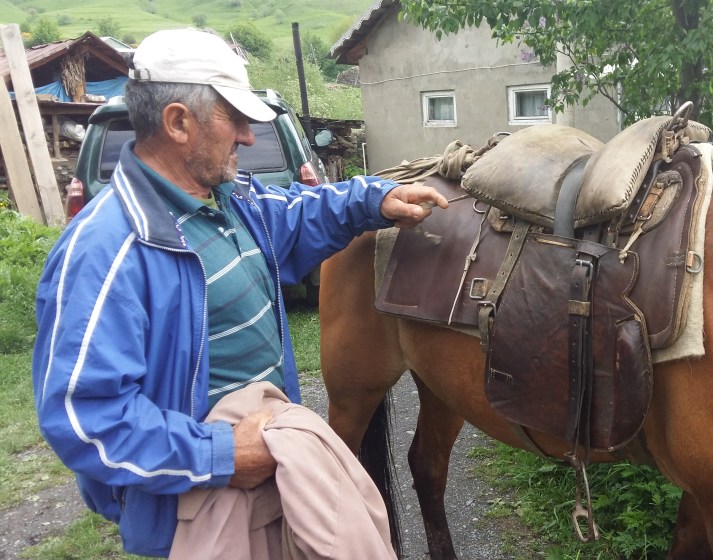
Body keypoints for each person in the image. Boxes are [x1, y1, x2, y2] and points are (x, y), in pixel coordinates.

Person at [31, 28, 447, 558]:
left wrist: (378, 197)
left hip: (260, 472)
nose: (248, 137)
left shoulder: (230, 204)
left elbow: (300, 214)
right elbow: (85, 419)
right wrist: (220, 454)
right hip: (195, 505)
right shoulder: (106, 251)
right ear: (177, 122)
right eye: (235, 119)